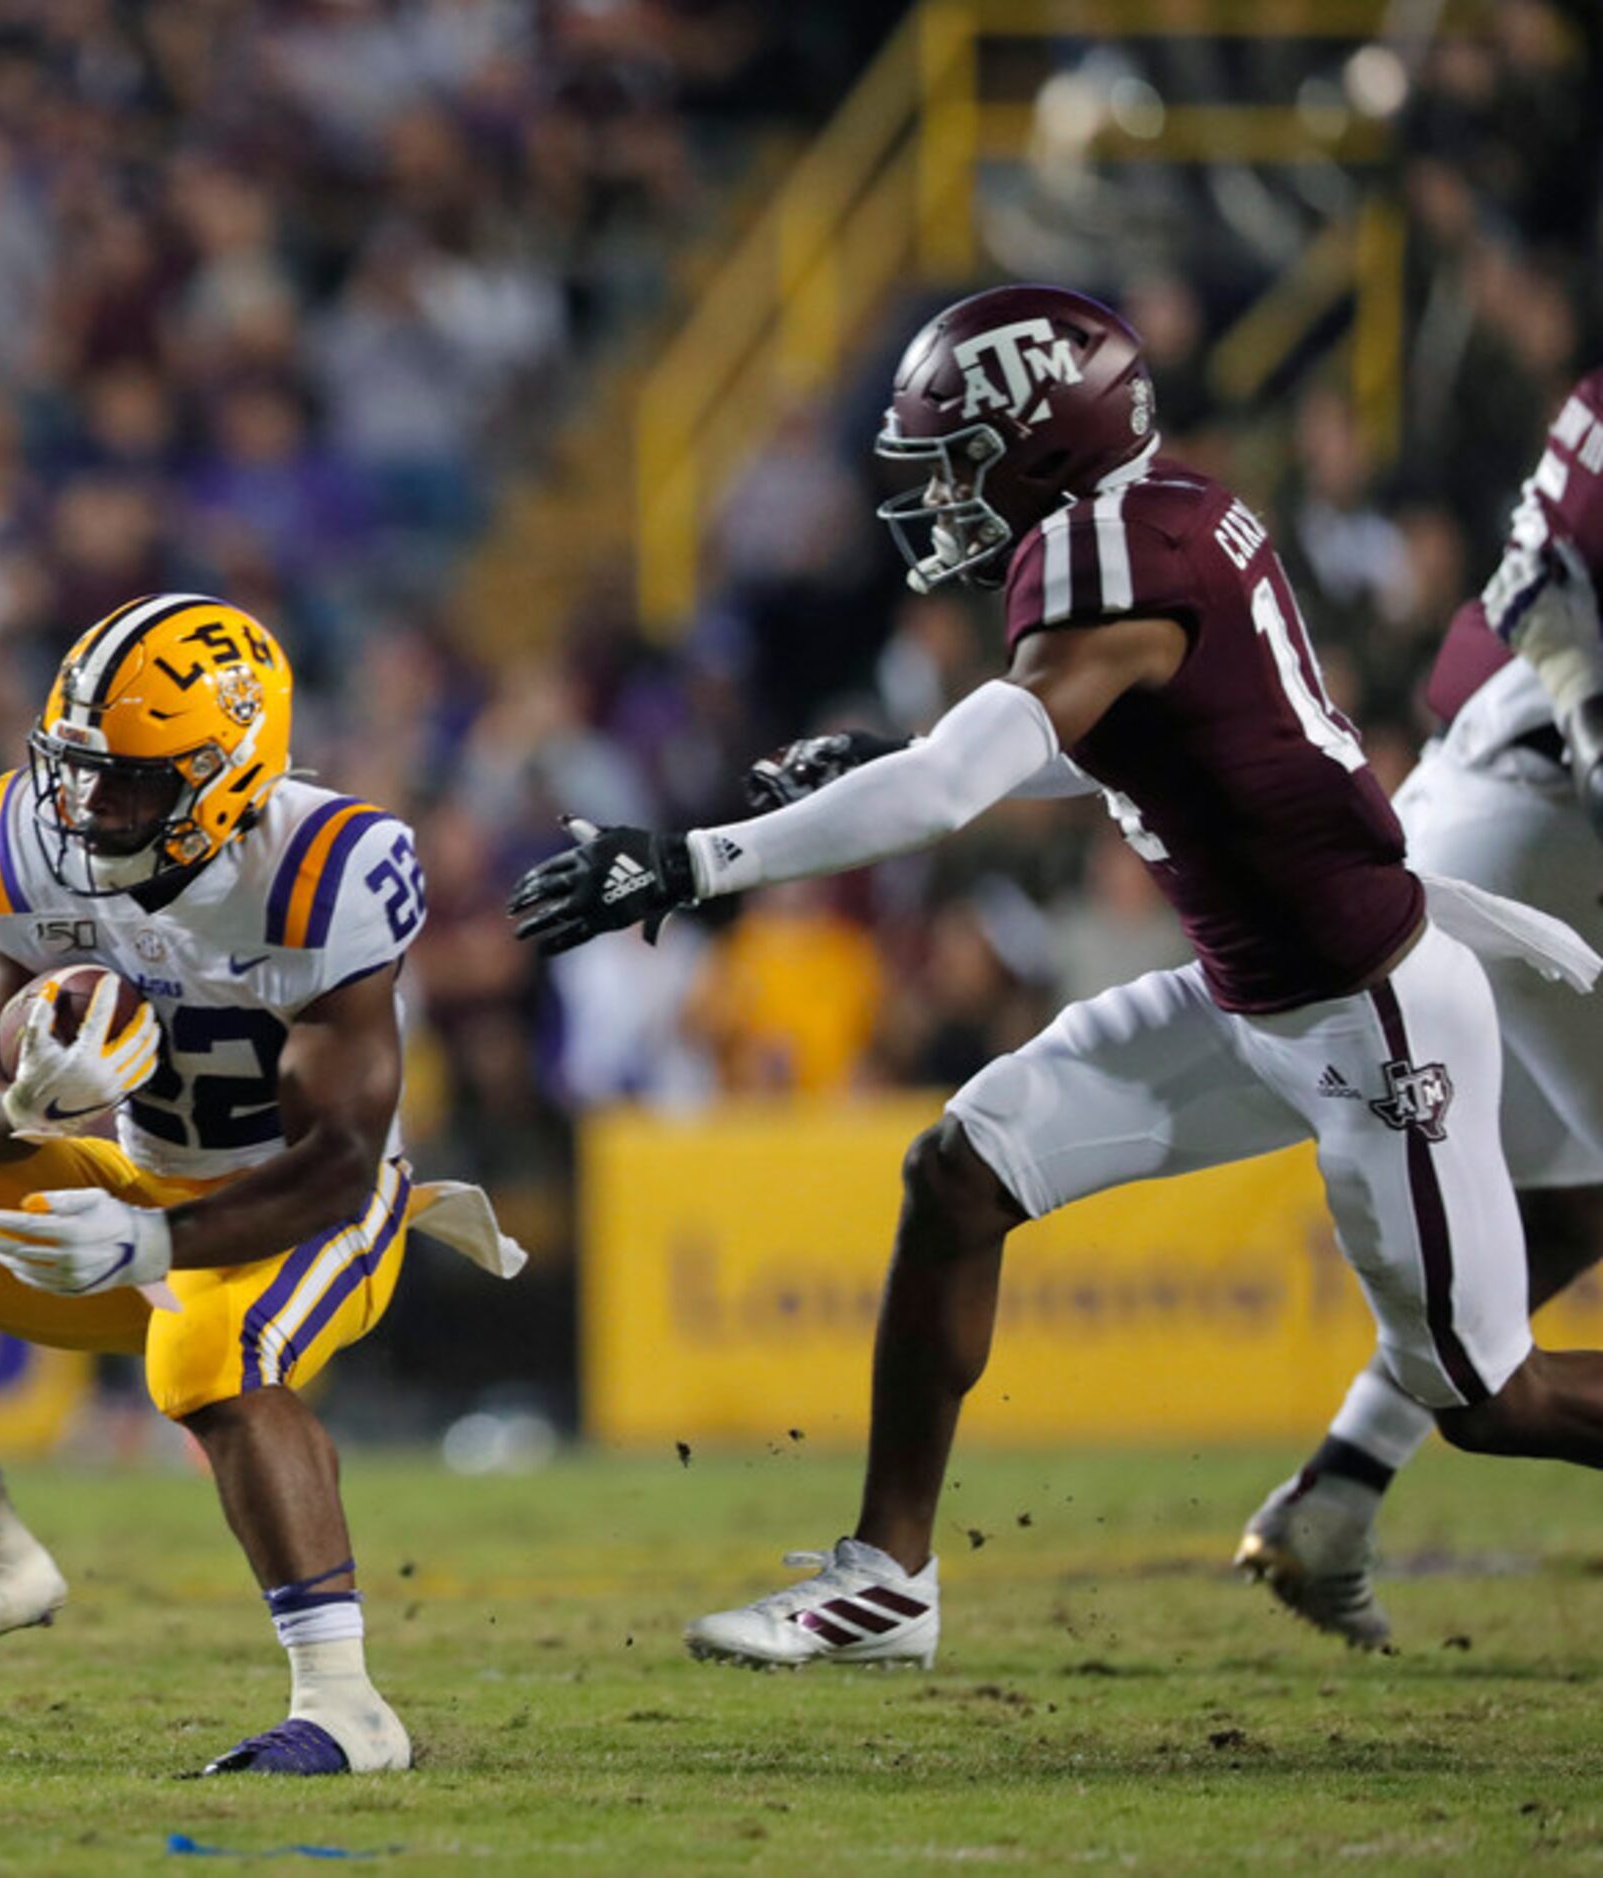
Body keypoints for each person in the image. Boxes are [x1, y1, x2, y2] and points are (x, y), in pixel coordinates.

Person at [508, 284, 1603, 1669]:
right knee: (961, 1171)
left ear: (1041, 449)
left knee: (1491, 1398)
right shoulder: (1165, 516)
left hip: (1369, 1018)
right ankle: (886, 1582)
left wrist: (688, 861)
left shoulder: (1104, 554)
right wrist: (903, 764)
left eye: (955, 458)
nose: (937, 496)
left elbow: (953, 788)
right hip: (1258, 992)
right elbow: (1194, 753)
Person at [0, 594, 523, 1775]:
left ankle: (345, 1707)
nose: (89, 808)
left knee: (204, 1355)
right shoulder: (27, 838)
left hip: (304, 1206)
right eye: (77, 772)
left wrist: (149, 1250)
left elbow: (336, 1159)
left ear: (230, 775)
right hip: (131, 1175)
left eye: (131, 781)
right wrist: (18, 1112)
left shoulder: (320, 870)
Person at [1232, 364, 1603, 1647]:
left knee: (1560, 1212)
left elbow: (1482, 644)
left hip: (1467, 814)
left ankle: (1335, 1492)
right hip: (1549, 834)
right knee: (1499, 1369)